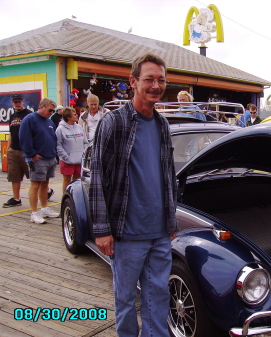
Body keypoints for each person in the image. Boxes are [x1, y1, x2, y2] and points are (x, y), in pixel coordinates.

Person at [90, 52, 177, 337]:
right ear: (133, 81)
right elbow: (98, 177)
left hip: (160, 233)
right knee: (126, 300)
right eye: (149, 79)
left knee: (159, 297)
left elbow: (167, 175)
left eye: (161, 80)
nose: (156, 85)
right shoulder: (113, 122)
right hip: (126, 234)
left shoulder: (163, 125)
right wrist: (102, 230)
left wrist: (171, 221)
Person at [19, 98, 60, 224]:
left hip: (50, 157)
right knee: (35, 185)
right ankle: (34, 212)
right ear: (42, 107)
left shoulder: (49, 122)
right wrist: (32, 155)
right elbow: (24, 138)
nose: (51, 112)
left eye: (53, 111)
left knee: (45, 185)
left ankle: (44, 208)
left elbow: (53, 138)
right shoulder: (30, 119)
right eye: (50, 110)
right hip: (38, 158)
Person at [3, 94, 32, 208]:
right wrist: (8, 149)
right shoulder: (12, 115)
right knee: (14, 176)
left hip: (26, 150)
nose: (17, 103)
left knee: (33, 175)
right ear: (12, 103)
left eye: (19, 101)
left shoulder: (29, 114)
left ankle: (47, 190)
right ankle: (16, 198)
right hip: (13, 150)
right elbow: (11, 133)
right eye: (15, 102)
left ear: (23, 101)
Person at [56, 107, 89, 192]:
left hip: (79, 160)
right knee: (67, 180)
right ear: (68, 117)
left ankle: (75, 197)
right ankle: (66, 197)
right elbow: (58, 145)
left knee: (77, 180)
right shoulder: (60, 129)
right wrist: (66, 157)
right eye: (74, 114)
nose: (77, 115)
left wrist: (83, 154)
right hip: (67, 160)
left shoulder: (79, 127)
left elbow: (85, 142)